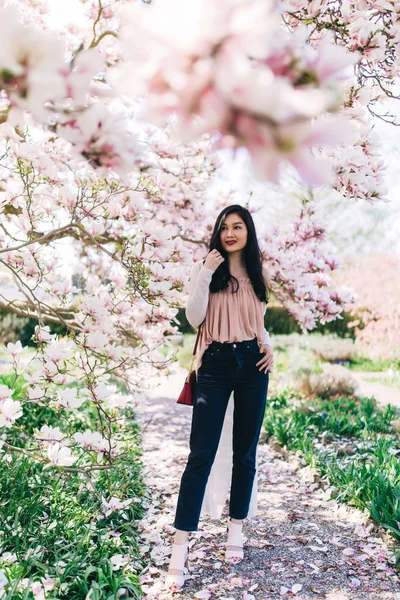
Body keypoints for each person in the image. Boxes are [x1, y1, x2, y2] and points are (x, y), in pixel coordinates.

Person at [165, 205, 274, 593]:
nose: (230, 233)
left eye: (238, 226)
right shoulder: (207, 269)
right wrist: (207, 272)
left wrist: (269, 347)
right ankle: (180, 549)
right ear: (217, 232)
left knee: (245, 453)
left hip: (252, 366)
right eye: (224, 227)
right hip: (214, 365)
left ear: (248, 232)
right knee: (201, 456)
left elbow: (259, 322)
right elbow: (194, 318)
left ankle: (236, 530)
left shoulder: (258, 274)